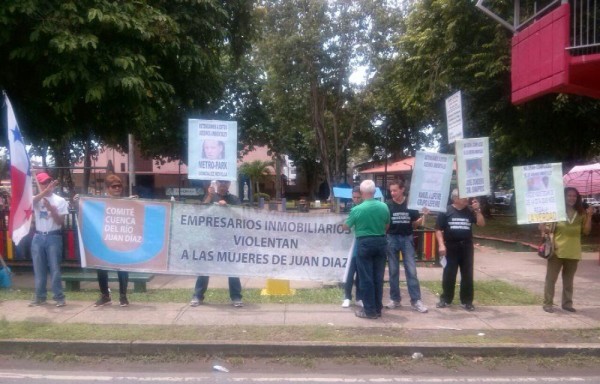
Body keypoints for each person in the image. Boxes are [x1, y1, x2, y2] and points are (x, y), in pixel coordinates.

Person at [190, 180, 243, 307]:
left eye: (225, 183)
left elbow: (240, 216)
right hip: (211, 238)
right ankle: (197, 296)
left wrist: (228, 207)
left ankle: (236, 297)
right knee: (204, 267)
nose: (223, 185)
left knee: (232, 268)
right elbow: (200, 212)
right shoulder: (210, 197)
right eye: (220, 183)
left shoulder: (234, 199)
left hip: (228, 239)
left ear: (229, 185)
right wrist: (209, 195)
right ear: (217, 184)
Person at [540, 187, 592, 313]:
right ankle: (548, 303)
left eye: (574, 196)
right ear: (563, 197)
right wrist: (542, 226)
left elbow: (586, 231)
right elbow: (547, 230)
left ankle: (567, 303)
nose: (572, 198)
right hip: (557, 250)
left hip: (573, 251)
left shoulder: (581, 213)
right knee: (551, 279)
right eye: (569, 195)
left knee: (569, 280)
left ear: (577, 198)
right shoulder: (556, 212)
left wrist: (589, 216)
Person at [344, 180, 390, 319]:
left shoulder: (357, 209)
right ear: (374, 192)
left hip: (364, 243)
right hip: (381, 242)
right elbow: (387, 225)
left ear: (362, 193)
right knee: (378, 277)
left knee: (366, 278)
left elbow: (347, 226)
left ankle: (369, 311)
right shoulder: (384, 207)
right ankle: (377, 308)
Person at [435, 189, 485, 311]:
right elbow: (438, 229)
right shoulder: (445, 211)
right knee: (449, 274)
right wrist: (441, 245)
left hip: (466, 246)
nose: (466, 199)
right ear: (455, 198)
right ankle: (446, 299)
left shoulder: (470, 211)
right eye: (463, 197)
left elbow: (481, 224)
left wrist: (477, 210)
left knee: (467, 274)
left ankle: (467, 301)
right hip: (451, 246)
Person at [385, 180, 429, 313]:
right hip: (391, 239)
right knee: (393, 271)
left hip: (406, 238)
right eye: (391, 191)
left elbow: (415, 224)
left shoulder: (411, 204)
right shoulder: (387, 205)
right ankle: (395, 299)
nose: (393, 193)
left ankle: (416, 300)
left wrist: (423, 216)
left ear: (402, 189)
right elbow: (385, 223)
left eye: (395, 190)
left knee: (411, 270)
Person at [29, 172, 69, 307]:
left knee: (55, 269)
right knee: (39, 269)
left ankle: (59, 297)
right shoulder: (36, 198)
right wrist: (43, 193)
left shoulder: (60, 200)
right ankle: (40, 296)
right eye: (43, 183)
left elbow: (60, 222)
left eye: (48, 182)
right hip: (38, 237)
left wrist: (51, 209)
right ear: (39, 184)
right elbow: (30, 203)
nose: (47, 185)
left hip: (53, 236)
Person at [94, 174, 131, 307]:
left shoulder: (127, 202)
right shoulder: (99, 202)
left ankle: (123, 296)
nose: (117, 188)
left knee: (122, 268)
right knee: (101, 267)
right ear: (107, 188)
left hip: (121, 241)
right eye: (114, 186)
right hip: (105, 241)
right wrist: (79, 200)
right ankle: (105, 295)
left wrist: (135, 203)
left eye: (119, 186)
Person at [342, 187, 363, 308]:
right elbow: (346, 226)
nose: (356, 199)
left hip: (360, 245)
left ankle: (359, 297)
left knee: (360, 274)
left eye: (358, 197)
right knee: (349, 274)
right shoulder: (352, 209)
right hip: (352, 247)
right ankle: (347, 297)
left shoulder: (362, 209)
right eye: (354, 197)